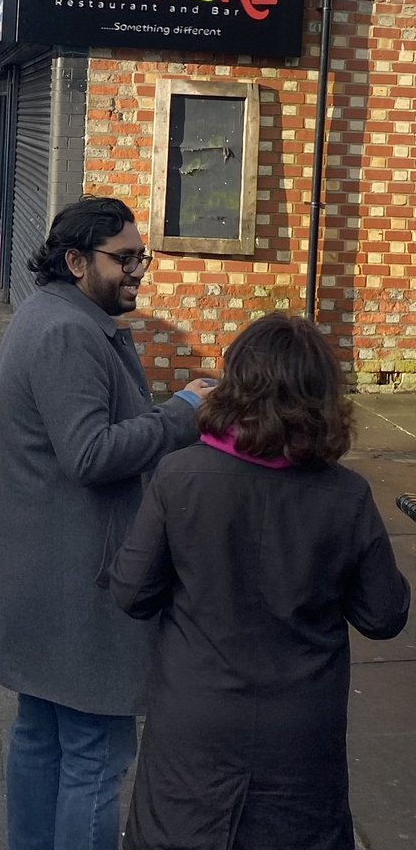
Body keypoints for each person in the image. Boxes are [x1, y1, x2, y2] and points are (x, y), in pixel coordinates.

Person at [0, 195, 214, 850]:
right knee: (94, 756)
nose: (137, 271)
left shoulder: (55, 316)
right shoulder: (68, 333)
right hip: (79, 586)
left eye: (139, 257)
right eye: (123, 259)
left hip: (43, 573)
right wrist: (184, 412)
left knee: (41, 737)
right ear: (74, 260)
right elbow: (89, 454)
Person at [109, 314, 410, 850]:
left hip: (194, 723)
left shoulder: (180, 475)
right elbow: (383, 616)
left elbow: (132, 592)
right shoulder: (346, 495)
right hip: (300, 733)